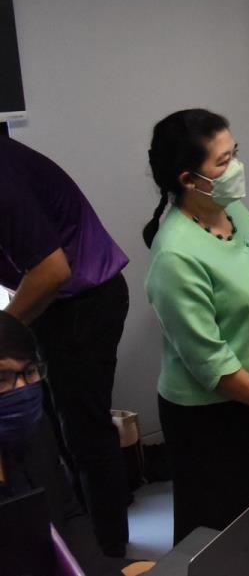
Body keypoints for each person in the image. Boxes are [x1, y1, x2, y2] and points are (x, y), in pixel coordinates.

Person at [143, 109, 249, 544]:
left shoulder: (235, 213)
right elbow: (210, 360)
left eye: (235, 153)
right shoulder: (176, 256)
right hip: (208, 414)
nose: (237, 168)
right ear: (189, 180)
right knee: (213, 532)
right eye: (224, 161)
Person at [0, 136, 130, 557]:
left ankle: (109, 554)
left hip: (82, 302)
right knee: (54, 435)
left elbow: (52, 271)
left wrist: (4, 331)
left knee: (83, 434)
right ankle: (75, 544)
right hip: (54, 302)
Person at [0, 311, 129, 575]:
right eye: (2, 378)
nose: (22, 389)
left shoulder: (36, 428)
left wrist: (98, 570)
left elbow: (68, 514)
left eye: (30, 371)